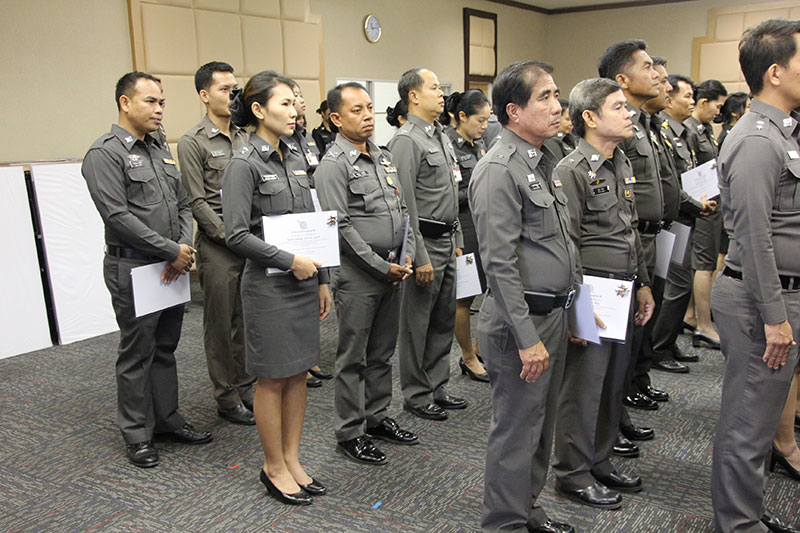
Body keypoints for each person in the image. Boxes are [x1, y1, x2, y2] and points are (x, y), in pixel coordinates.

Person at [82, 72, 212, 468]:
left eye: (162, 102)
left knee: (166, 347)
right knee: (137, 351)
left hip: (171, 264)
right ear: (125, 103)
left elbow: (184, 203)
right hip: (134, 266)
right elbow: (117, 217)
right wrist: (171, 250)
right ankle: (137, 433)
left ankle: (167, 420)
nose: (159, 110)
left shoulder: (160, 149)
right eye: (150, 102)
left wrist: (182, 247)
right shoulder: (105, 153)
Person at [470, 59, 576, 533]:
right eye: (545, 97)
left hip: (550, 315)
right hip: (520, 323)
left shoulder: (543, 160)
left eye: (556, 94)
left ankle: (526, 509)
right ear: (513, 111)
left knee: (540, 426)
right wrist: (527, 337)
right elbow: (499, 263)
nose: (558, 106)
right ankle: (504, 524)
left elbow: (561, 245)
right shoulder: (499, 169)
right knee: (516, 432)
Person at [222, 70, 331, 506]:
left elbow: (313, 222)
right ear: (258, 109)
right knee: (272, 378)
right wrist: (290, 261)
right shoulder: (243, 163)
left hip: (304, 282)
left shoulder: (297, 154)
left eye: (294, 102)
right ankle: (272, 466)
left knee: (299, 373)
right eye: (284, 103)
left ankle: (292, 459)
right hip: (269, 288)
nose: (294, 110)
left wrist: (322, 279)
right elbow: (235, 235)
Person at [711, 18, 800, 533]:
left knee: (760, 418)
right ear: (775, 72)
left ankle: (746, 510)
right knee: (747, 422)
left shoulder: (783, 133)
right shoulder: (756, 140)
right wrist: (775, 317)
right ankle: (738, 524)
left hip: (775, 296)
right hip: (759, 299)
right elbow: (754, 236)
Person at [553, 77, 654, 510]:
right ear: (590, 117)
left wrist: (643, 283)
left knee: (613, 383)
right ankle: (572, 473)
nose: (628, 114)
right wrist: (576, 309)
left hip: (624, 288)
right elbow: (567, 244)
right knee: (584, 387)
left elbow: (630, 230)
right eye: (618, 107)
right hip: (592, 291)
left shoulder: (621, 162)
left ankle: (600, 459)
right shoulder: (572, 169)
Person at [314, 82, 418, 465]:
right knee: (353, 357)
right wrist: (381, 266)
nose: (368, 116)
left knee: (382, 352)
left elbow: (403, 211)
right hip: (360, 275)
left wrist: (406, 255)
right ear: (336, 118)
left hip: (393, 268)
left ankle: (376, 416)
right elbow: (339, 226)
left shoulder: (382, 156)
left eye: (370, 108)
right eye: (356, 110)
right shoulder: (333, 165)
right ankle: (350, 431)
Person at [177, 61, 255, 426]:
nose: (232, 95)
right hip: (218, 245)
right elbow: (197, 202)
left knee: (247, 320)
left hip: (250, 242)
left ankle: (246, 385)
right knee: (221, 325)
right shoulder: (193, 142)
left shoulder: (245, 137)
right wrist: (233, 236)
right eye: (225, 89)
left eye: (235, 88)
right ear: (205, 95)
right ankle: (226, 396)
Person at [597, 39, 664, 459]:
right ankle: (607, 421)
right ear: (622, 79)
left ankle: (615, 415)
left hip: (643, 241)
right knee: (610, 348)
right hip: (621, 244)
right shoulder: (615, 128)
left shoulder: (643, 124)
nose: (656, 74)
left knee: (632, 339)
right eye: (647, 67)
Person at [388, 68, 466, 421]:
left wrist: (458, 239)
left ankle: (437, 385)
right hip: (426, 244)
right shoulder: (406, 141)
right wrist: (418, 256)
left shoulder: (441, 136)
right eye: (434, 88)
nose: (441, 93)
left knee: (443, 320)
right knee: (416, 325)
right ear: (414, 96)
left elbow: (451, 193)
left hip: (448, 239)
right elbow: (405, 204)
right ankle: (416, 395)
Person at [650, 73, 716, 371]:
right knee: (675, 286)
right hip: (674, 219)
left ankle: (667, 341)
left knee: (678, 286)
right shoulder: (662, 131)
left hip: (687, 216)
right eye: (686, 96)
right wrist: (696, 204)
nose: (692, 101)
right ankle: (659, 348)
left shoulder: (682, 133)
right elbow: (671, 183)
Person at [285, 79, 329, 387]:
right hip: (290, 229)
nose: (298, 102)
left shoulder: (307, 139)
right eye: (290, 98)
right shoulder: (282, 141)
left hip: (312, 219)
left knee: (312, 297)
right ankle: (297, 361)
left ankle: (308, 359)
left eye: (299, 97)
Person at [445, 89, 491, 383]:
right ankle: (467, 356)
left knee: (489, 289)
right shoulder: (448, 145)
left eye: (487, 120)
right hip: (464, 225)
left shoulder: (479, 144)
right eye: (480, 120)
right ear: (462, 116)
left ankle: (479, 348)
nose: (484, 126)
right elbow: (449, 192)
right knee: (465, 296)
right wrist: (478, 190)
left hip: (484, 223)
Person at [684, 79, 727, 351]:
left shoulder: (705, 130)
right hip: (700, 207)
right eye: (717, 106)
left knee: (705, 262)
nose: (718, 112)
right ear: (703, 102)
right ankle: (704, 324)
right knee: (704, 265)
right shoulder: (689, 131)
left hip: (710, 205)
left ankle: (691, 315)